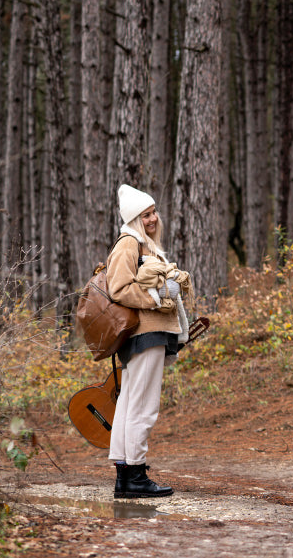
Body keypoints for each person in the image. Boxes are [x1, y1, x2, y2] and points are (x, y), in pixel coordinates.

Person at [106, 184, 192, 498]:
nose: (153, 218)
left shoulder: (143, 243)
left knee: (130, 404)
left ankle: (126, 477)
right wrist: (155, 301)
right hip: (145, 333)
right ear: (134, 218)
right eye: (146, 215)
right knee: (142, 406)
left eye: (154, 212)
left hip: (146, 334)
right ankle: (136, 475)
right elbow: (118, 288)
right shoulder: (129, 243)